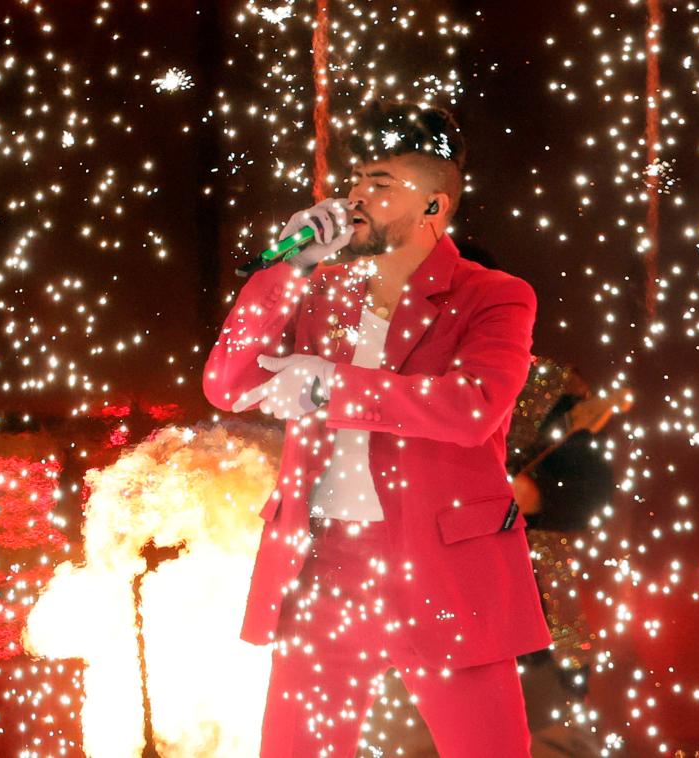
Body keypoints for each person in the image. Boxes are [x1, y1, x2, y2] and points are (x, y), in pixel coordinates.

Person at [201, 101, 551, 757]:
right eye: (357, 177)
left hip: (444, 571)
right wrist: (289, 267)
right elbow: (227, 382)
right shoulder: (321, 293)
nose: (357, 196)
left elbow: (472, 408)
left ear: (434, 206)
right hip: (322, 572)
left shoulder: (494, 295)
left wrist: (329, 387)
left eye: (382, 182)